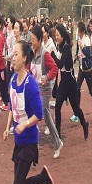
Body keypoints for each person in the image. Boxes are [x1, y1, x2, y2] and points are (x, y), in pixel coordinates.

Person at [2, 40, 54, 184]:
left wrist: (24, 124)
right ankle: (42, 178)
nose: (12, 57)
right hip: (18, 142)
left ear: (24, 58)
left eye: (15, 54)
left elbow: (38, 114)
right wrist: (8, 127)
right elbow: (11, 108)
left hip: (30, 143)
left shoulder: (30, 85)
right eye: (12, 54)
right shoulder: (13, 80)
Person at [50, 24, 89, 140]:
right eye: (55, 35)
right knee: (57, 106)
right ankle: (57, 132)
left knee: (76, 108)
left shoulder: (66, 47)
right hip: (63, 81)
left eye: (58, 35)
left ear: (62, 36)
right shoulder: (59, 46)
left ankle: (84, 124)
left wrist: (52, 55)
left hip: (70, 82)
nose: (56, 37)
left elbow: (60, 64)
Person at [30, 24, 62, 159]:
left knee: (35, 114)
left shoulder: (45, 54)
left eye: (33, 40)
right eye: (31, 39)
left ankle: (32, 148)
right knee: (47, 118)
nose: (32, 42)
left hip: (45, 90)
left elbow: (54, 68)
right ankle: (58, 143)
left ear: (39, 40)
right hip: (36, 89)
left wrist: (47, 77)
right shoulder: (32, 53)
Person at [74, 21, 92, 122]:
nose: (77, 32)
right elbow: (80, 52)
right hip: (81, 68)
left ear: (81, 30)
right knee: (77, 89)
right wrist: (76, 57)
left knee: (91, 91)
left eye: (78, 30)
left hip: (88, 69)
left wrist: (82, 46)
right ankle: (76, 113)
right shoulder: (79, 39)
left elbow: (88, 54)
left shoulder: (86, 39)